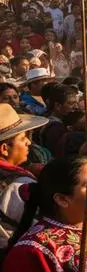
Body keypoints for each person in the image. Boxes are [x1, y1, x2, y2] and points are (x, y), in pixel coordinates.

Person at [0, 104, 47, 250]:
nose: (29, 142)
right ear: (4, 149)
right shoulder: (20, 185)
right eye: (22, 138)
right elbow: (43, 230)